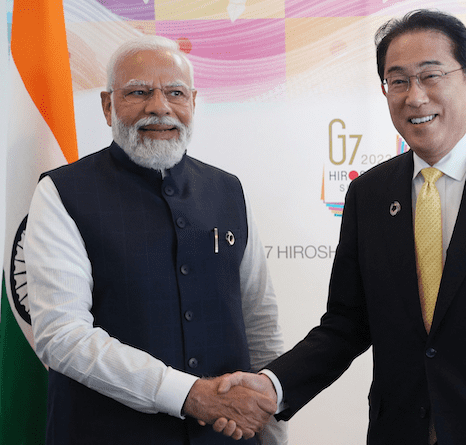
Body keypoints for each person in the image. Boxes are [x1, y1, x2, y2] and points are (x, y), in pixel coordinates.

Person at [218, 8, 466, 445]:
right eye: (397, 81)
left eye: (431, 76)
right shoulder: (370, 194)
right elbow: (346, 324)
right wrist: (273, 385)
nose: (414, 97)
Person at [25, 35, 286, 444]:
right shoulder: (62, 193)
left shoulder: (228, 190)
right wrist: (188, 395)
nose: (159, 107)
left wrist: (273, 430)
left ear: (194, 102)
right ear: (108, 105)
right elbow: (62, 335)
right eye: (139, 92)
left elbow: (260, 323)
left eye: (175, 93)